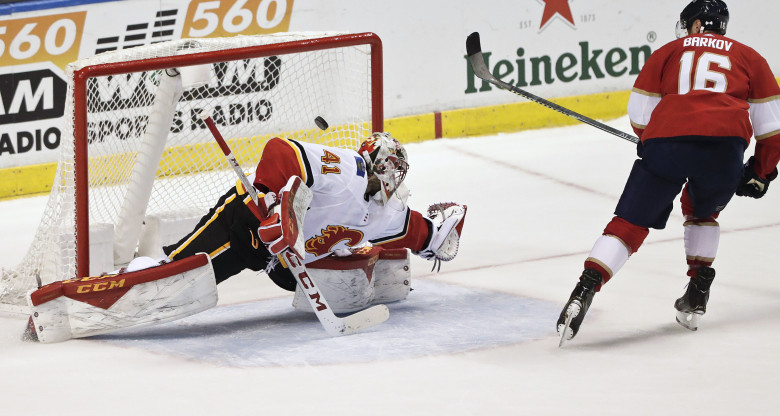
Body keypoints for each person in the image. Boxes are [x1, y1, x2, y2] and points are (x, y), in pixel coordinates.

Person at [24, 131, 467, 342]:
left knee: (354, 263)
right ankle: (70, 301)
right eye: (383, 173)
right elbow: (280, 151)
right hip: (246, 224)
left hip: (282, 260)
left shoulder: (388, 213)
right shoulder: (345, 168)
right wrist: (278, 203)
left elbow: (426, 231)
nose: (385, 183)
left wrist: (441, 233)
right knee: (181, 275)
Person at [557, 0, 780, 343]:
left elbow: (639, 113)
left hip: (668, 145)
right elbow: (773, 128)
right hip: (725, 150)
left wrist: (649, 139)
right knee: (701, 211)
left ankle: (586, 286)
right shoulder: (749, 56)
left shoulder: (668, 52)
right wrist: (760, 171)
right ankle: (698, 288)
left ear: (696, 24)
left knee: (631, 221)